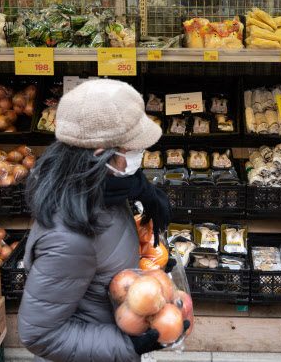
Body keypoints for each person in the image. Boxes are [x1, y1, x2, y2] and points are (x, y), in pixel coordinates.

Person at [18, 79, 185, 362]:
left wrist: (147, 268)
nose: (140, 154)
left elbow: (102, 261)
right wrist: (129, 346)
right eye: (133, 148)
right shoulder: (67, 237)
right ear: (100, 155)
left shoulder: (103, 190)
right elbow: (39, 335)